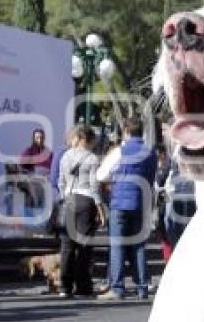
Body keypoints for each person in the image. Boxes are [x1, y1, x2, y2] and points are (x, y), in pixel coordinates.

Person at [96, 117, 157, 301]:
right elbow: (151, 177)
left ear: (126, 131)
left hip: (120, 203)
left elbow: (101, 175)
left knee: (117, 245)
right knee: (139, 245)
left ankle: (117, 287)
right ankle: (142, 287)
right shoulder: (150, 152)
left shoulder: (119, 152)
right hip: (141, 202)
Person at [57, 125, 105, 297]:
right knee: (84, 246)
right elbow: (94, 186)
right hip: (86, 202)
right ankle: (83, 285)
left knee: (67, 247)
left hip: (69, 200)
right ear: (88, 139)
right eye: (93, 141)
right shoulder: (92, 158)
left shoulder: (65, 156)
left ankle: (64, 287)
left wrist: (65, 196)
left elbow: (60, 181)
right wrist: (100, 208)